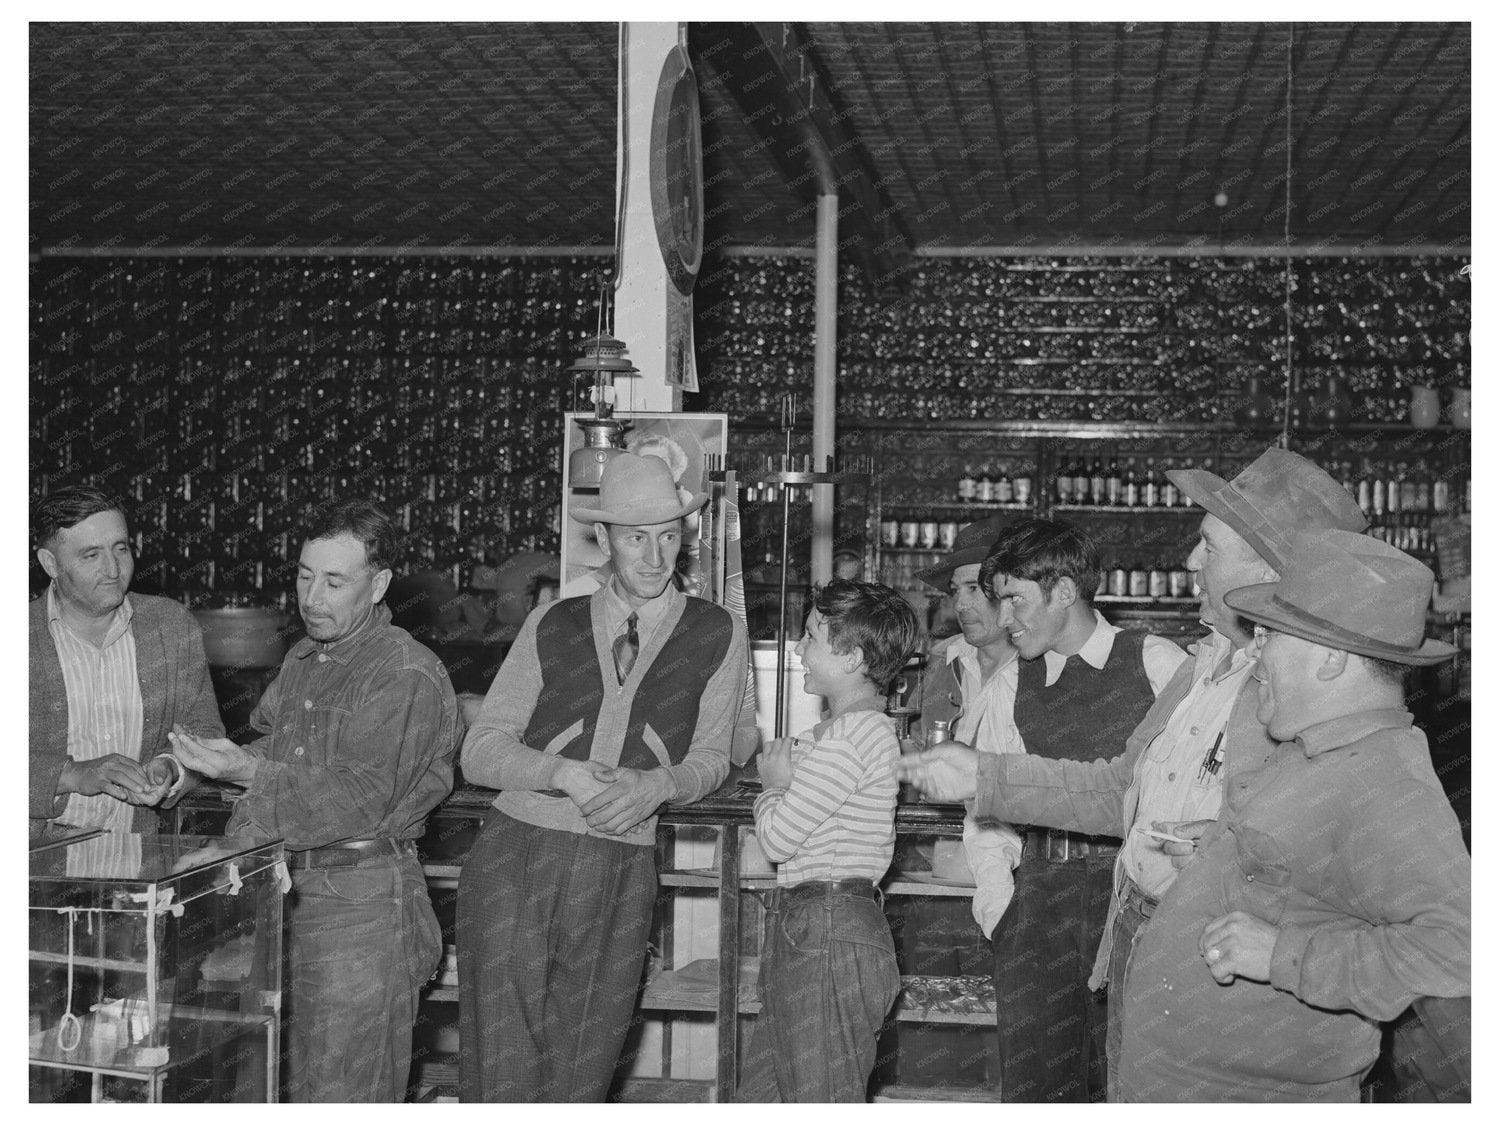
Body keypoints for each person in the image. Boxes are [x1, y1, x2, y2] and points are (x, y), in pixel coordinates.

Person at [898, 448, 1368, 1099]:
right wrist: (990, 810)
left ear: (1266, 564)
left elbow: (1368, 893)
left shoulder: (1285, 692)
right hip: (1114, 923)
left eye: (1207, 544)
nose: (1189, 563)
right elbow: (1121, 788)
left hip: (1215, 962)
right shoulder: (1203, 669)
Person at [1117, 529, 1469, 1101]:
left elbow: (1458, 950)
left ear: (1330, 660)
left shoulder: (1381, 779)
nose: (1256, 652)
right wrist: (1220, 848)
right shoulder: (1308, 748)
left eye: (1270, 635)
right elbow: (1308, 876)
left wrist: (1283, 955)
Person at [456, 452, 748, 1102]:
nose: (654, 555)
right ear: (605, 537)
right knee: (498, 1074)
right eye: (636, 536)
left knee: (581, 1075)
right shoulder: (551, 622)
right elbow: (480, 749)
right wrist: (559, 771)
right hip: (516, 858)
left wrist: (659, 785)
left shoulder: (716, 631)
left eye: (669, 535)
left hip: (620, 868)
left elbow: (714, 755)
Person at [168, 500, 458, 1102]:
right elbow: (273, 751)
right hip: (285, 896)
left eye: (334, 581)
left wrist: (247, 770)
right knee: (273, 1084)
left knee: (343, 1092)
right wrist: (206, 797)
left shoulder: (403, 672)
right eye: (304, 575)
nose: (312, 596)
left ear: (378, 585)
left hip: (363, 906)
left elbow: (358, 799)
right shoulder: (305, 660)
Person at [980, 518, 1188, 1100]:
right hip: (1038, 904)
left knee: (1130, 1081)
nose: (1003, 620)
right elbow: (985, 810)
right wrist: (1002, 910)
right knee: (1034, 1088)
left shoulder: (1157, 662)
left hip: (1134, 898)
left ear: (1065, 591)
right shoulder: (1007, 685)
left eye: (1015, 600)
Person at [737, 579, 921, 1102]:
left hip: (828, 927)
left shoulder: (856, 734)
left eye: (812, 637)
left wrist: (774, 786)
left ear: (852, 658)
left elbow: (776, 839)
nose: (798, 649)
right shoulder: (845, 733)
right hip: (809, 925)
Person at [29, 484, 219, 838]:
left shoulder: (171, 627)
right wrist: (72, 775)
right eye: (91, 555)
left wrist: (172, 768)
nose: (114, 568)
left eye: (121, 548)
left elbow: (205, 733)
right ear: (50, 564)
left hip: (135, 860)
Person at [911, 516, 1022, 944]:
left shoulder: (1045, 669)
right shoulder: (944, 659)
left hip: (1018, 877)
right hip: (939, 871)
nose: (959, 604)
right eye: (956, 591)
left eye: (974, 588)